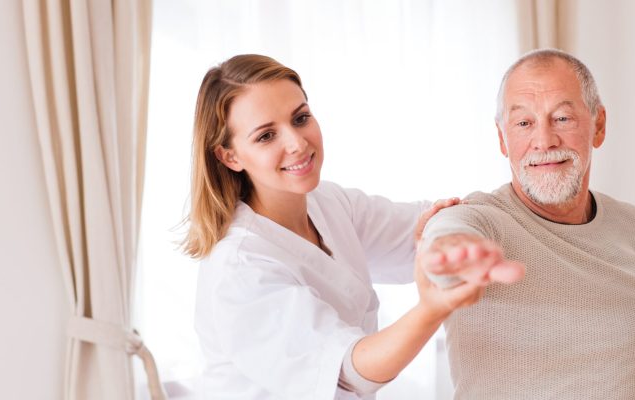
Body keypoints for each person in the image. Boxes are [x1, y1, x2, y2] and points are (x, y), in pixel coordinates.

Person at [184, 54, 524, 400]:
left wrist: (449, 239)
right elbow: (348, 374)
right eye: (266, 136)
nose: (297, 143)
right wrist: (431, 308)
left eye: (300, 118)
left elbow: (418, 231)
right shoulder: (239, 269)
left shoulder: (327, 203)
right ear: (229, 156)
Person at [420, 49, 635, 399]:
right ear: (503, 139)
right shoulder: (478, 218)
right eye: (523, 123)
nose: (544, 140)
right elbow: (448, 240)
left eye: (562, 118)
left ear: (598, 124)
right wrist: (451, 255)